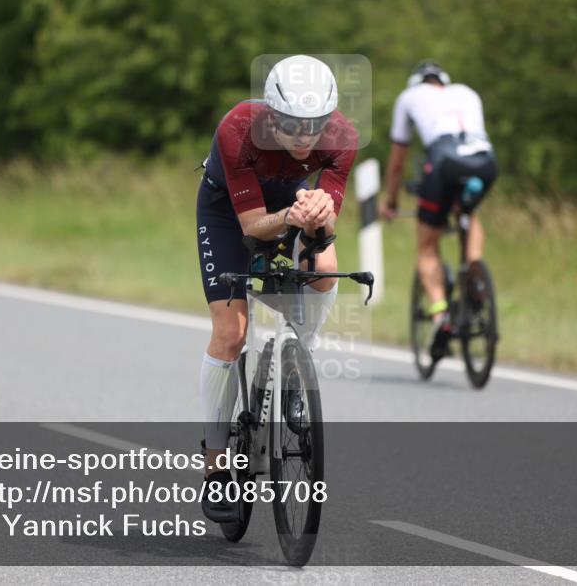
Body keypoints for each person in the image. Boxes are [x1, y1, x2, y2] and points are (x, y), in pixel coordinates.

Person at [196, 55, 358, 522]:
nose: (306, 136)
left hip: (289, 203)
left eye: (316, 124)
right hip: (229, 213)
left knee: (325, 268)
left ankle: (295, 366)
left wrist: (315, 217)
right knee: (231, 334)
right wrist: (290, 218)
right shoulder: (238, 129)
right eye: (292, 123)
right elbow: (251, 229)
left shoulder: (342, 138)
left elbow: (321, 226)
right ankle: (215, 467)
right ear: (270, 114)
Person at [380, 60, 498, 360]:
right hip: (484, 161)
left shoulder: (408, 98)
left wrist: (391, 202)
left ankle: (439, 316)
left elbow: (397, 164)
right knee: (467, 213)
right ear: (443, 80)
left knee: (427, 248)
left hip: (444, 160)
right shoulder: (467, 92)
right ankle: (476, 274)